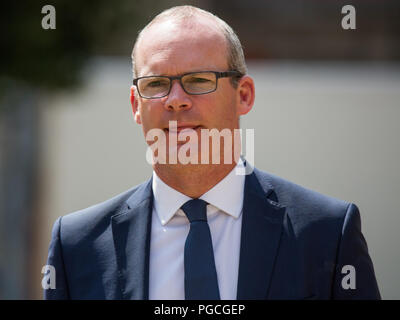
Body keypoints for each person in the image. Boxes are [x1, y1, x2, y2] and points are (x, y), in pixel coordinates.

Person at [44, 5, 380, 300]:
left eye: (199, 80)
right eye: (156, 84)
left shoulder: (327, 233)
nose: (175, 99)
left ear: (243, 95)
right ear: (136, 104)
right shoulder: (76, 246)